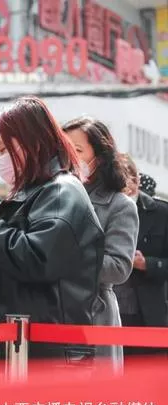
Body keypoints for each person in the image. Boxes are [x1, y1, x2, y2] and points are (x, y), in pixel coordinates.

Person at [0, 96, 104, 362]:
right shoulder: (30, 194)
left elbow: (37, 258)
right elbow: (2, 270)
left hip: (50, 354)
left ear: (32, 140)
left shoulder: (61, 192)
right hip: (23, 349)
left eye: (4, 148)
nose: (1, 158)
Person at [63, 117, 138, 373]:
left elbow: (118, 267)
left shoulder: (119, 205)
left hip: (94, 314)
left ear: (100, 157)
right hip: (51, 313)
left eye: (78, 150)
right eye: (65, 150)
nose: (70, 159)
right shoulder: (53, 198)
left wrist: (64, 256)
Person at [116, 160, 168, 356]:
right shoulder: (101, 208)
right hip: (110, 311)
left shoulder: (161, 213)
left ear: (136, 180)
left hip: (148, 314)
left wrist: (147, 264)